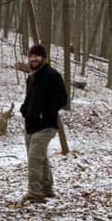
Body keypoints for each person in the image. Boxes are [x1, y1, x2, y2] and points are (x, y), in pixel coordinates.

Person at [19, 44, 67, 202]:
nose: (34, 59)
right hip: (30, 125)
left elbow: (62, 99)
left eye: (37, 56)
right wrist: (24, 109)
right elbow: (30, 98)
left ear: (43, 58)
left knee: (34, 158)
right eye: (32, 56)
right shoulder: (31, 76)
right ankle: (47, 188)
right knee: (40, 158)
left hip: (46, 125)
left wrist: (44, 112)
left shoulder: (52, 75)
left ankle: (34, 193)